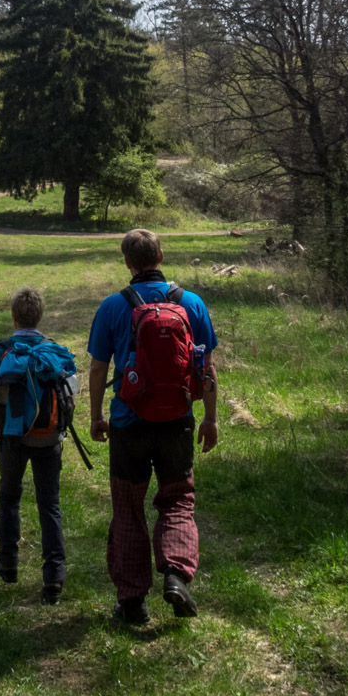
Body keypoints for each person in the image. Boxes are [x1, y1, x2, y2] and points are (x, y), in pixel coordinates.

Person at [88, 229, 218, 623]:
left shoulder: (113, 306)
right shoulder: (192, 303)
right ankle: (176, 576)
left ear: (127, 263)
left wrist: (96, 416)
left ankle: (132, 603)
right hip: (177, 419)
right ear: (161, 255)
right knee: (177, 500)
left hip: (129, 423)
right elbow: (207, 367)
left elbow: (97, 368)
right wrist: (210, 418)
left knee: (128, 508)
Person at [0, 286, 68, 605]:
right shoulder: (52, 349)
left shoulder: (1, 351)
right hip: (48, 437)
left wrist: (2, 434)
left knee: (9, 498)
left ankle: (8, 563)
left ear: (14, 316)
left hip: (13, 437)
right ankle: (54, 576)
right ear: (39, 315)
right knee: (49, 504)